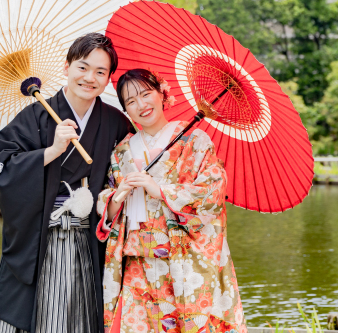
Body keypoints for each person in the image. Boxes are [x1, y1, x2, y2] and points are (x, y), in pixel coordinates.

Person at [0, 33, 132, 333]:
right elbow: (4, 166)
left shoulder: (115, 122)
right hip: (42, 235)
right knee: (40, 315)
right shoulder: (34, 117)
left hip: (89, 237)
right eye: (82, 67)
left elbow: (127, 170)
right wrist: (51, 151)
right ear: (67, 66)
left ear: (108, 79)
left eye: (100, 72)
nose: (89, 78)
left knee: (83, 315)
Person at [96, 68, 247, 333]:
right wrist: (115, 199)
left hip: (181, 264)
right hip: (136, 264)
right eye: (131, 101)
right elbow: (107, 205)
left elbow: (211, 193)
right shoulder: (121, 152)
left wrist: (160, 190)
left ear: (162, 94)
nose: (141, 105)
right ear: (125, 111)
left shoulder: (194, 141)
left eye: (146, 94)